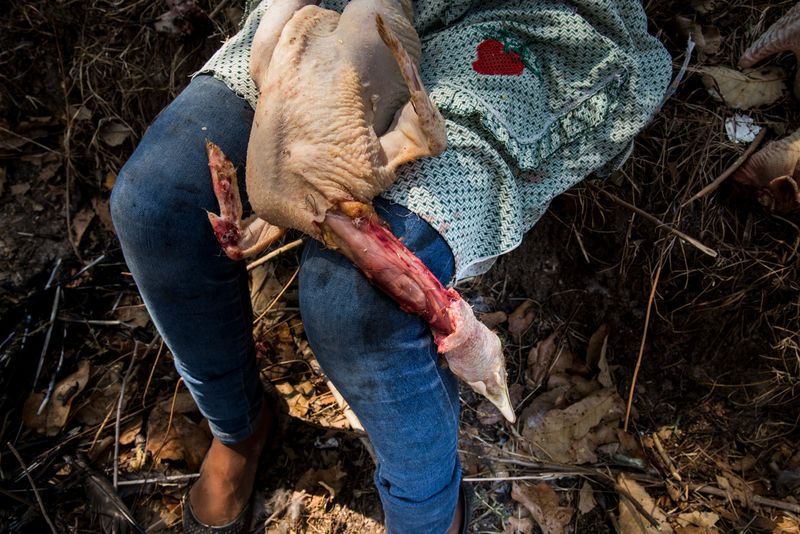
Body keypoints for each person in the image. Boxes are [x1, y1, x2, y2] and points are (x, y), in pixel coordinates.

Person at [110, 1, 671, 532]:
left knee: (357, 303)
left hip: (512, 21)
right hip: (328, 18)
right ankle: (237, 428)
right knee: (155, 204)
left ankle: (430, 516)